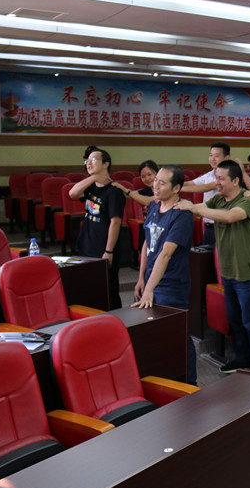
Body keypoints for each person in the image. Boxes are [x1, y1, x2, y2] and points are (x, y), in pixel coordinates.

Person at [175, 160, 250, 372]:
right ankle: (242, 358)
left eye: (221, 179)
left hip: (246, 272)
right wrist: (187, 206)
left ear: (235, 180)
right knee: (234, 319)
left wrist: (194, 207)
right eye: (216, 178)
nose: (217, 183)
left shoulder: (248, 200)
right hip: (227, 271)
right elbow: (203, 209)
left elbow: (231, 217)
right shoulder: (218, 199)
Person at [133, 165, 197, 384]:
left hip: (171, 285)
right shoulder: (154, 206)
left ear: (176, 188)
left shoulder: (182, 216)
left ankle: (190, 383)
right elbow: (147, 242)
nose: (155, 185)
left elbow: (166, 254)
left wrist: (149, 289)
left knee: (178, 334)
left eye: (162, 182)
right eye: (155, 180)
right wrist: (141, 278)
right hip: (151, 280)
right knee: (156, 335)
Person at [69, 146, 125, 310]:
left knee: (108, 290)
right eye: (87, 161)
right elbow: (72, 193)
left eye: (93, 160)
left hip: (104, 248)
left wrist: (108, 251)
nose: (89, 163)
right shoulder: (91, 187)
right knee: (90, 289)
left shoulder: (114, 191)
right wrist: (93, 177)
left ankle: (116, 320)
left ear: (106, 164)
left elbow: (115, 222)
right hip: (87, 245)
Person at [183, 141, 231, 247]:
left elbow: (205, 187)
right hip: (209, 227)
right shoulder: (209, 174)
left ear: (226, 158)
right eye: (210, 155)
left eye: (216, 156)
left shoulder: (227, 176)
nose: (212, 159)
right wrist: (173, 184)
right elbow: (191, 183)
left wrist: (177, 189)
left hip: (223, 227)